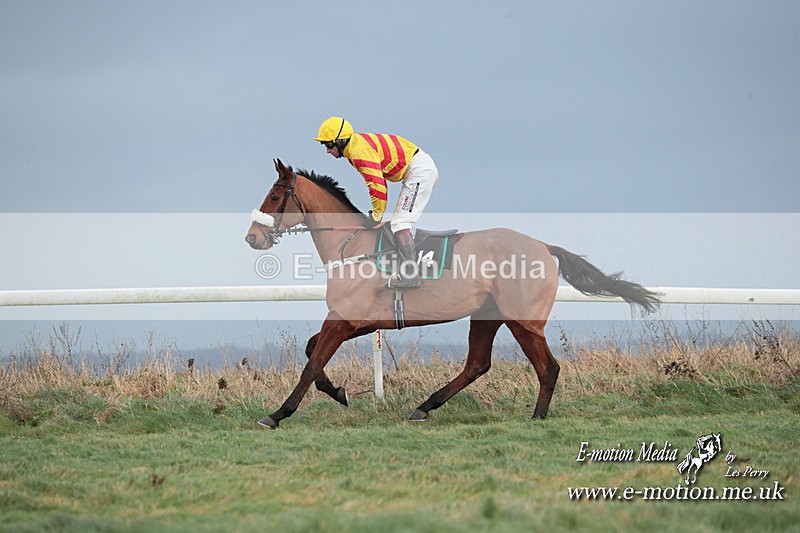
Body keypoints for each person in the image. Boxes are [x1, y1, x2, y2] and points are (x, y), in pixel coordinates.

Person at [314, 116, 439, 289]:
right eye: (325, 145)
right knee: (398, 223)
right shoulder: (353, 148)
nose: (327, 151)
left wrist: (376, 216)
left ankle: (412, 276)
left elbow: (377, 185)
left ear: (341, 141)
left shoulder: (358, 152)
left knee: (400, 224)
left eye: (329, 145)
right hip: (416, 169)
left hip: (419, 171)